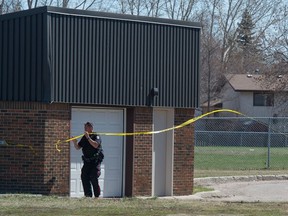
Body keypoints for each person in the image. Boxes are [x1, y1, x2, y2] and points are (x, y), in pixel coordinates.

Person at [72, 122, 103, 198]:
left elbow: (96, 145)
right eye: (84, 128)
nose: (85, 129)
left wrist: (88, 137)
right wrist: (75, 142)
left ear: (91, 128)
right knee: (84, 176)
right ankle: (88, 196)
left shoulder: (96, 136)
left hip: (95, 161)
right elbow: (78, 147)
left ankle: (97, 196)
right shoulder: (84, 137)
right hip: (87, 161)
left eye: (86, 127)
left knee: (93, 176)